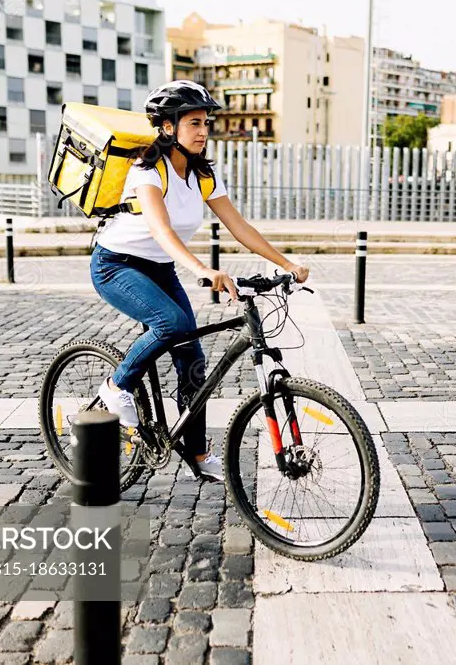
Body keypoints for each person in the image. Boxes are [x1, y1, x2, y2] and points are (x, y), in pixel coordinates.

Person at [90, 80, 309, 481]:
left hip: (159, 268)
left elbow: (238, 226)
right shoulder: (147, 170)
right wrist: (203, 270)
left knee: (192, 358)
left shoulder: (202, 175)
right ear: (168, 127)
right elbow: (160, 229)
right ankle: (115, 387)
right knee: (171, 325)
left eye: (206, 122)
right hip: (116, 265)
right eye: (194, 122)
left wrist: (285, 263)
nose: (203, 130)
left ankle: (196, 453)